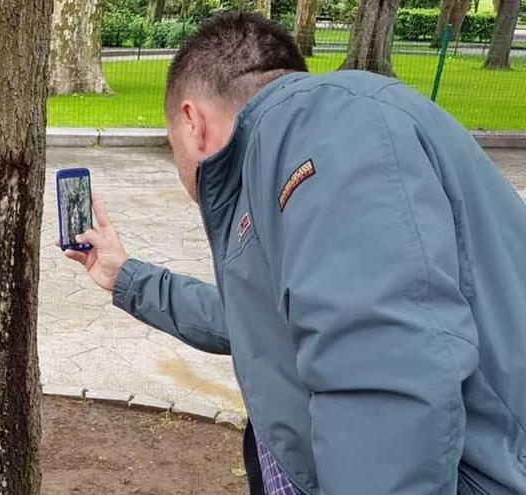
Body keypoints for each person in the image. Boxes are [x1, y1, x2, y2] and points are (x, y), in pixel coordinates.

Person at [62, 12, 526, 495]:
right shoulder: (294, 149)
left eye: (170, 144)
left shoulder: (324, 134)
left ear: (192, 121)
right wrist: (126, 278)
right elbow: (259, 320)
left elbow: (383, 384)